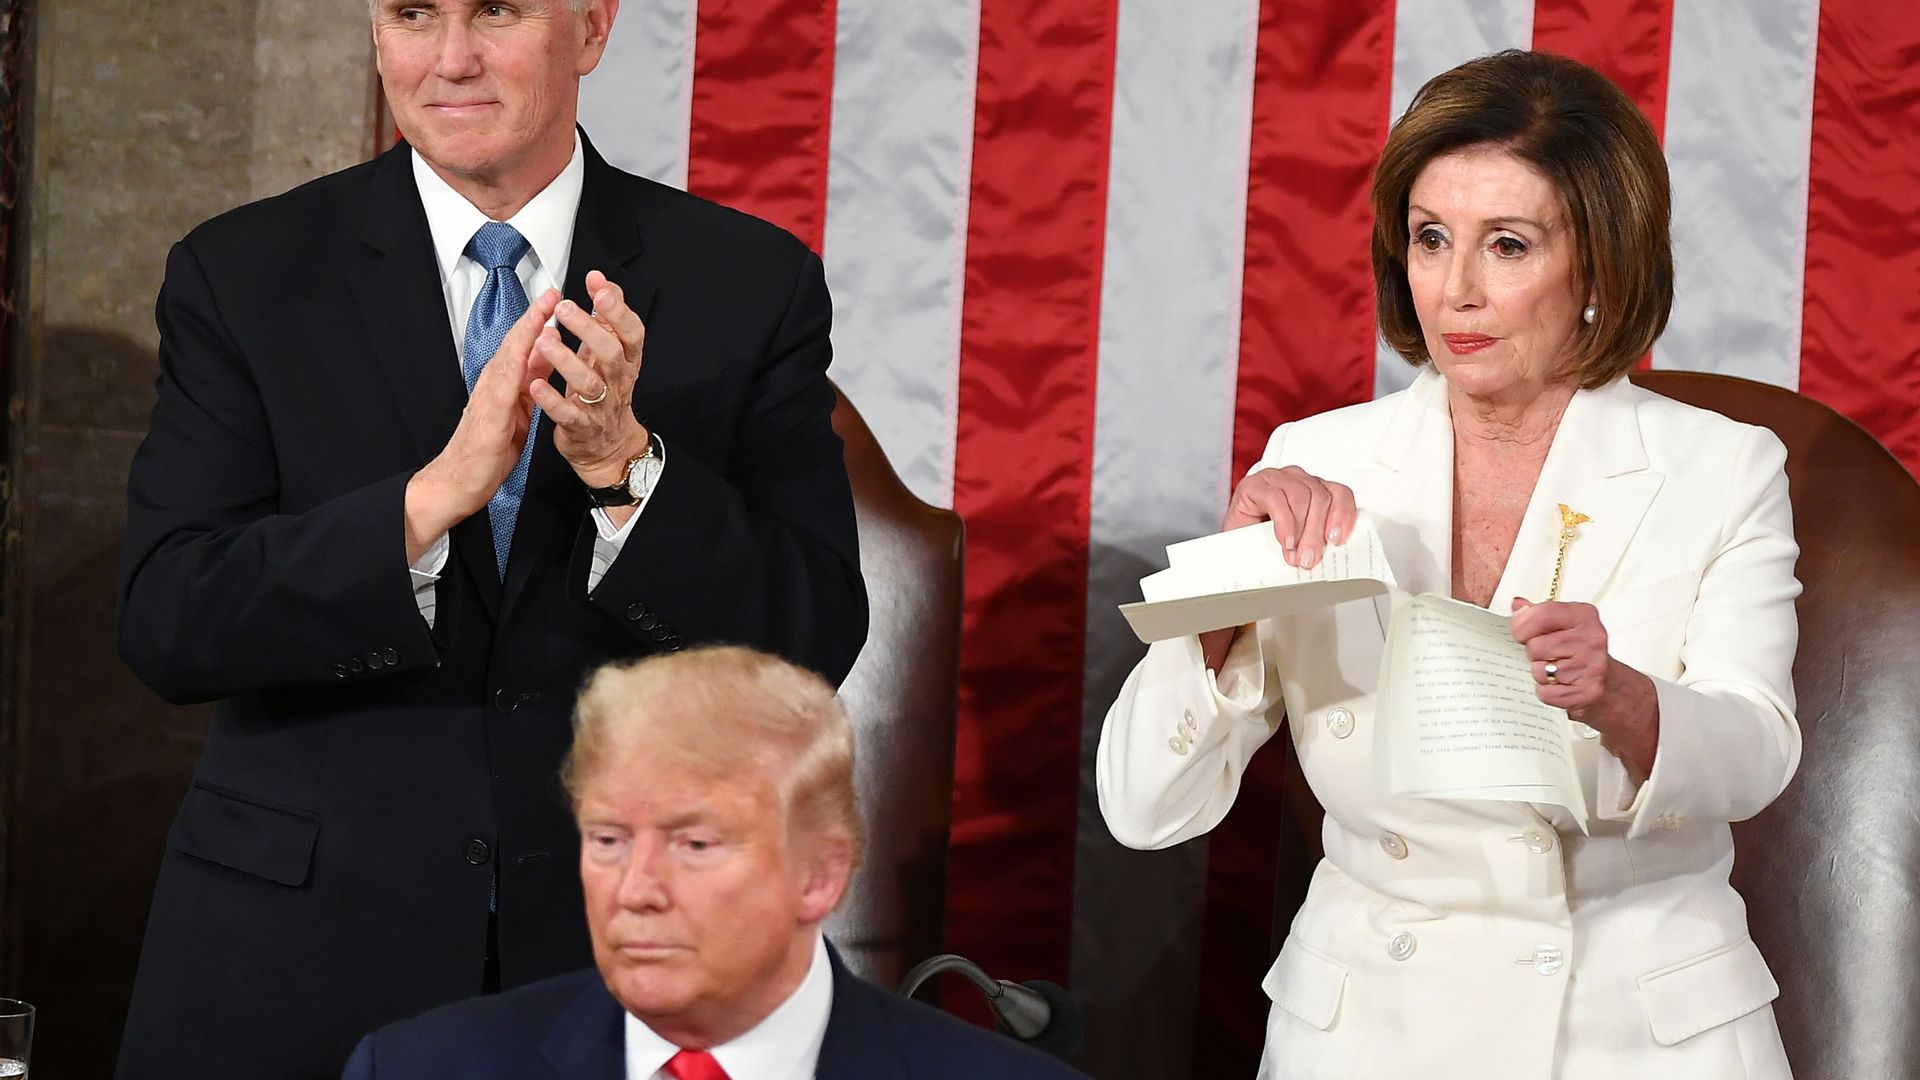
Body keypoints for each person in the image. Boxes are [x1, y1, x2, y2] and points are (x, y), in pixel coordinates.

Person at [113, 1, 867, 1076]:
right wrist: (422, 507)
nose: (451, 58)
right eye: (413, 13)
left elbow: (811, 638)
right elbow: (168, 616)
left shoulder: (748, 284)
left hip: (603, 961)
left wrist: (626, 472)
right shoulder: (242, 274)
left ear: (593, 31)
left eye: (496, 11)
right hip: (288, 962)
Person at [1097, 50, 1799, 1079]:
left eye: (1507, 245)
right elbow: (1142, 807)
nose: (1456, 291)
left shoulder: (1722, 468)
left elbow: (1758, 752)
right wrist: (1225, 604)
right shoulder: (1316, 461)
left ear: (1600, 263)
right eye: (1431, 239)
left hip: (1635, 1033)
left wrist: (1623, 700)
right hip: (1369, 1025)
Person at [338, 646, 1086, 1079]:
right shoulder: (417, 1071)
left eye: (694, 845)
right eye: (608, 840)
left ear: (821, 874)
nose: (636, 891)